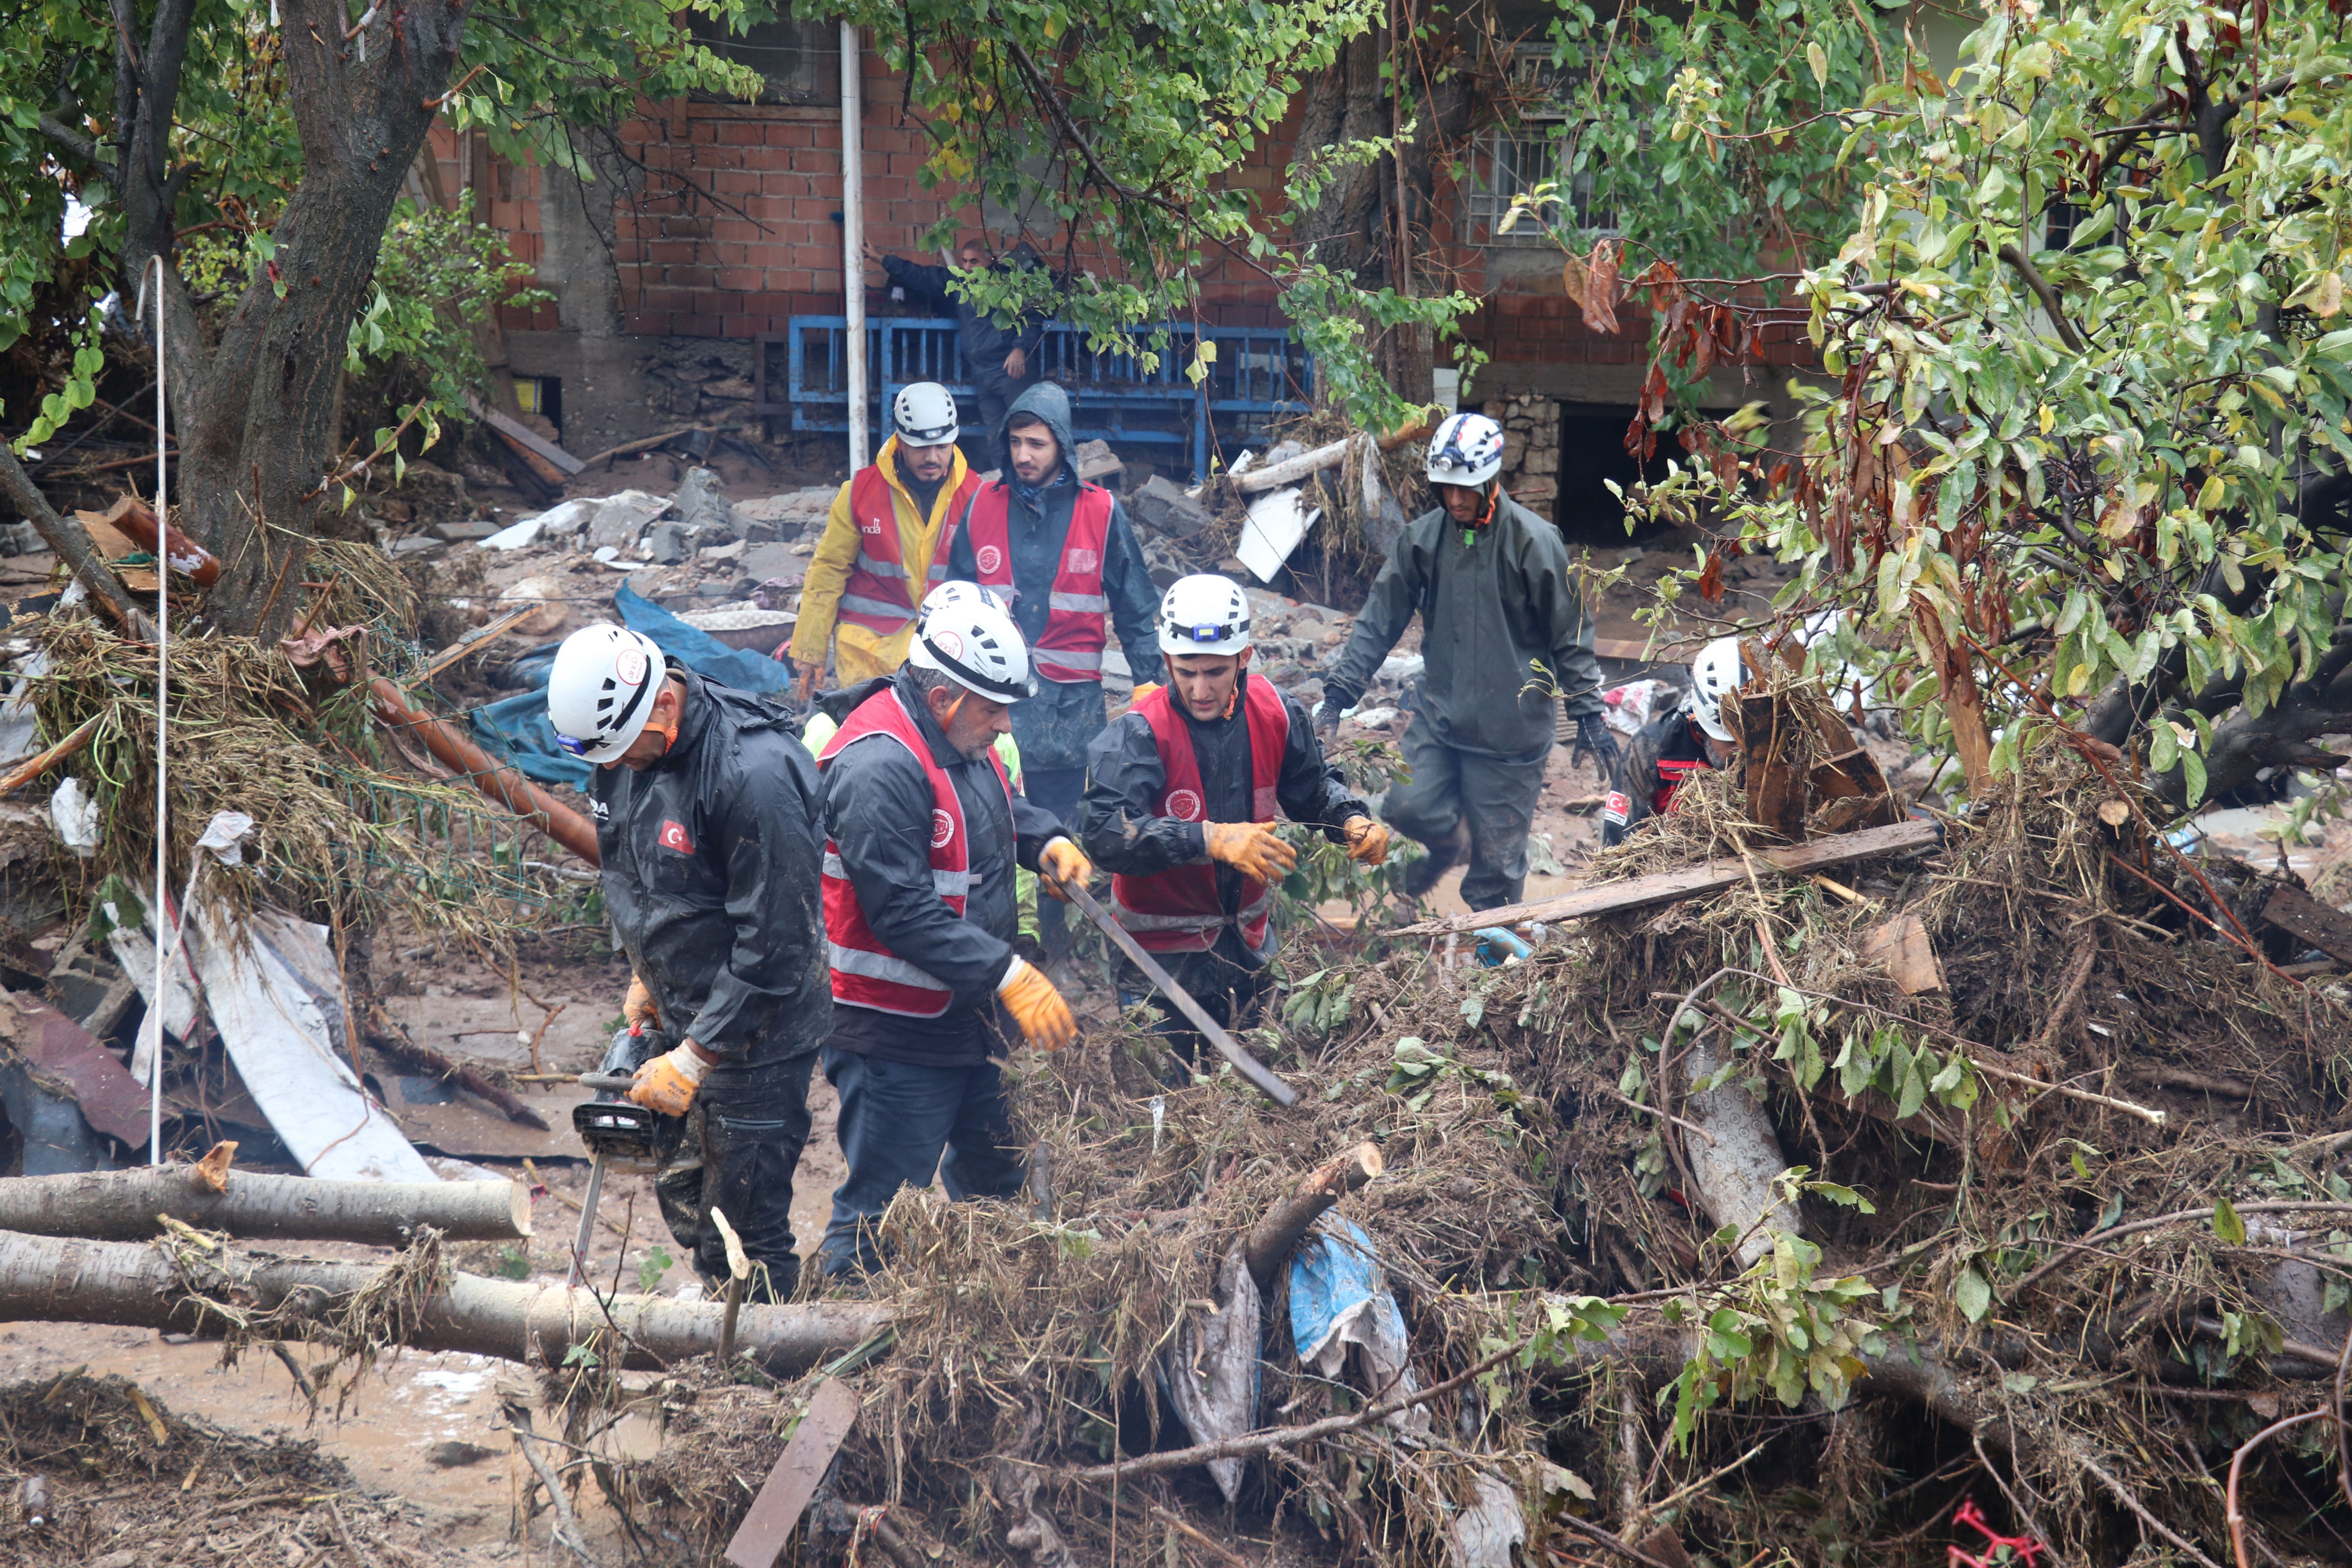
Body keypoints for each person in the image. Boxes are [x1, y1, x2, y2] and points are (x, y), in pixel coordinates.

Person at [811, 590, 1092, 1279]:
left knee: (996, 1185)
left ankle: (980, 1314)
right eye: (994, 709)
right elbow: (902, 910)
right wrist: (1007, 972)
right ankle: (835, 1336)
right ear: (943, 698)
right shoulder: (879, 766)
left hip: (969, 1021)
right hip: (893, 1033)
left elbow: (996, 804)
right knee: (883, 1208)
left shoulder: (958, 736)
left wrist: (1046, 838)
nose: (1004, 724)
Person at [545, 623, 828, 1301]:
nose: (617, 767)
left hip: (761, 1031)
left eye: (625, 754)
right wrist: (646, 971)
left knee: (745, 1230)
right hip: (682, 1005)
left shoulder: (754, 776)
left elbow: (775, 946)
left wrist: (698, 1057)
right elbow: (638, 870)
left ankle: (759, 1374)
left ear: (664, 707)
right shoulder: (623, 749)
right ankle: (712, 1304)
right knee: (686, 1194)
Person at [1080, 575, 1386, 1066]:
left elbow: (1311, 788)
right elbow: (1104, 833)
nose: (1200, 689)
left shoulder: (1277, 713)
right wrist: (1209, 839)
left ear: (1244, 658)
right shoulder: (1139, 731)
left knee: (1246, 1097)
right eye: (1186, 672)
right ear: (1167, 663)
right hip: (1158, 960)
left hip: (1245, 946)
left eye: (1216, 672)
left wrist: (1349, 818)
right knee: (1166, 1106)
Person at [1318, 412, 1617, 913]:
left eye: (1467, 489)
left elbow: (1570, 633)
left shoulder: (1534, 542)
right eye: (1446, 488)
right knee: (1407, 807)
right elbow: (1379, 619)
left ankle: (1492, 972)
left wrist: (1589, 713)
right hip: (1441, 719)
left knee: (1496, 873)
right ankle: (1450, 843)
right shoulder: (1422, 541)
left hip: (1511, 737)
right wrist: (1337, 696)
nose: (1456, 499)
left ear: (1490, 480)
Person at [944, 381, 1164, 970]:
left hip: (1073, 710)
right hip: (994, 706)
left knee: (1069, 828)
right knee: (992, 820)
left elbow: (1139, 610)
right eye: (1015, 442)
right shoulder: (981, 507)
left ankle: (1065, 949)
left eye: (1036, 443)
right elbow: (952, 603)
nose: (1023, 456)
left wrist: (1151, 687)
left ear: (1061, 446)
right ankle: (1004, 951)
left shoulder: (1101, 511)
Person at [789, 382, 984, 698]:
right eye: (921, 447)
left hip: (945, 648)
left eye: (943, 447)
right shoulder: (860, 493)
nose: (933, 457)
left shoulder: (976, 496)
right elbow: (828, 571)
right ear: (900, 442)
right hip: (868, 653)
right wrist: (810, 651)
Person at [862, 234, 1048, 448]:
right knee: (997, 437)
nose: (968, 267)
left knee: (1025, 431)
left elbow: (1033, 317)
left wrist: (1020, 349)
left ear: (989, 261)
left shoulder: (1007, 284)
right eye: (965, 261)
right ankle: (1003, 480)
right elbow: (920, 275)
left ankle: (1029, 481)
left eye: (974, 262)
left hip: (1010, 372)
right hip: (982, 375)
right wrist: (881, 259)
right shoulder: (959, 284)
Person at [1602, 637, 1749, 847]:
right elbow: (1618, 842)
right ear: (1700, 722)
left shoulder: (1788, 743)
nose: (1743, 750)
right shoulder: (1650, 750)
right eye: (1732, 741)